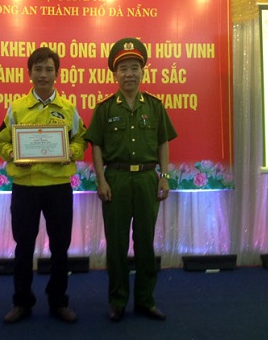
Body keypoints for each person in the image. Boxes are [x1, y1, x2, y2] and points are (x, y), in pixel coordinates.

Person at [84, 37, 177, 322]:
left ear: (143, 71)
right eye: (123, 68)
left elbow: (163, 142)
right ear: (114, 73)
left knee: (146, 243)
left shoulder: (155, 106)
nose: (129, 74)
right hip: (117, 179)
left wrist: (165, 177)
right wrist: (101, 180)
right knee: (116, 245)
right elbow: (96, 146)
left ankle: (146, 300)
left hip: (148, 179)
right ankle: (118, 300)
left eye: (134, 67)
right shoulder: (105, 108)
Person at [0, 47, 87, 324]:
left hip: (58, 186)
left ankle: (58, 302)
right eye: (38, 69)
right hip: (26, 186)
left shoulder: (68, 109)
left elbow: (82, 140)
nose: (43, 74)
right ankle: (22, 302)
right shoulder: (17, 108)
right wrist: (13, 154)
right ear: (29, 72)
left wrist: (72, 152)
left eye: (48, 69)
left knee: (60, 246)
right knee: (23, 246)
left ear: (57, 74)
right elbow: (0, 140)